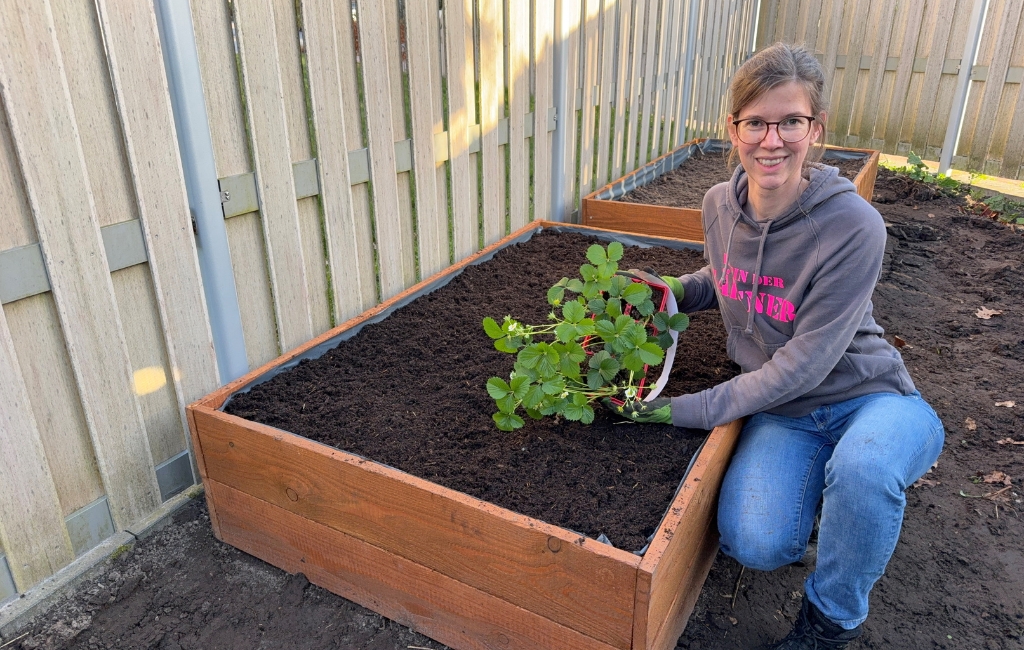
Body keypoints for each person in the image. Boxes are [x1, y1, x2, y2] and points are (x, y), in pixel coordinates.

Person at [607, 43, 945, 649]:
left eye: (790, 120)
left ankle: (832, 619)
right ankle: (840, 504)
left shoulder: (852, 226)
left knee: (866, 468)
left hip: (869, 398)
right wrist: (672, 294)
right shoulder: (718, 207)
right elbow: (732, 280)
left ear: (815, 131)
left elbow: (800, 365)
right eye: (756, 121)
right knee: (754, 543)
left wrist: (674, 410)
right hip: (785, 417)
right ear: (732, 128)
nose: (772, 139)